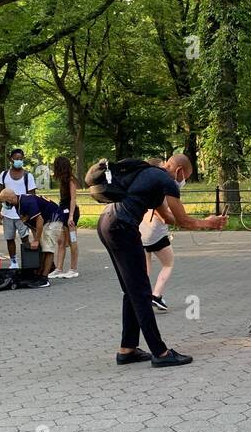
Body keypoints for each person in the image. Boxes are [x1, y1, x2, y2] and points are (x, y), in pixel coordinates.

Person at [94, 153, 225, 368]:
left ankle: (127, 349)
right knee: (142, 293)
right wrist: (209, 223)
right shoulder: (166, 180)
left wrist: (208, 223)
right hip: (122, 228)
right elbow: (182, 220)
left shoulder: (149, 174)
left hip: (107, 223)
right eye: (186, 178)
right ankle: (161, 353)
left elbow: (167, 218)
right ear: (180, 171)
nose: (183, 182)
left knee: (131, 289)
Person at [0, 187, 64, 283]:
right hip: (46, 220)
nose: (3, 205)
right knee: (42, 246)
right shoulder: (18, 205)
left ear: (9, 199)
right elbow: (30, 223)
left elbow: (39, 220)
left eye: (4, 202)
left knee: (48, 247)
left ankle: (44, 278)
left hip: (53, 218)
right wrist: (38, 239)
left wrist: (36, 240)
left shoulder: (26, 202)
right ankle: (41, 271)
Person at [0, 149, 37, 267]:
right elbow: (0, 195)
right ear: (11, 159)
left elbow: (32, 196)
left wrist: (30, 214)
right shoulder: (4, 175)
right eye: (16, 158)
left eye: (21, 158)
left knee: (25, 238)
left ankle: (28, 261)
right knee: (9, 238)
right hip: (7, 212)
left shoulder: (28, 176)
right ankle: (13, 262)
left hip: (22, 214)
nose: (19, 161)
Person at [50, 155, 80, 279]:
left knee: (73, 240)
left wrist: (71, 217)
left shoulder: (71, 180)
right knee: (61, 241)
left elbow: (73, 199)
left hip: (70, 214)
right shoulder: (62, 181)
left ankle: (73, 269)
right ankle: (59, 268)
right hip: (62, 211)